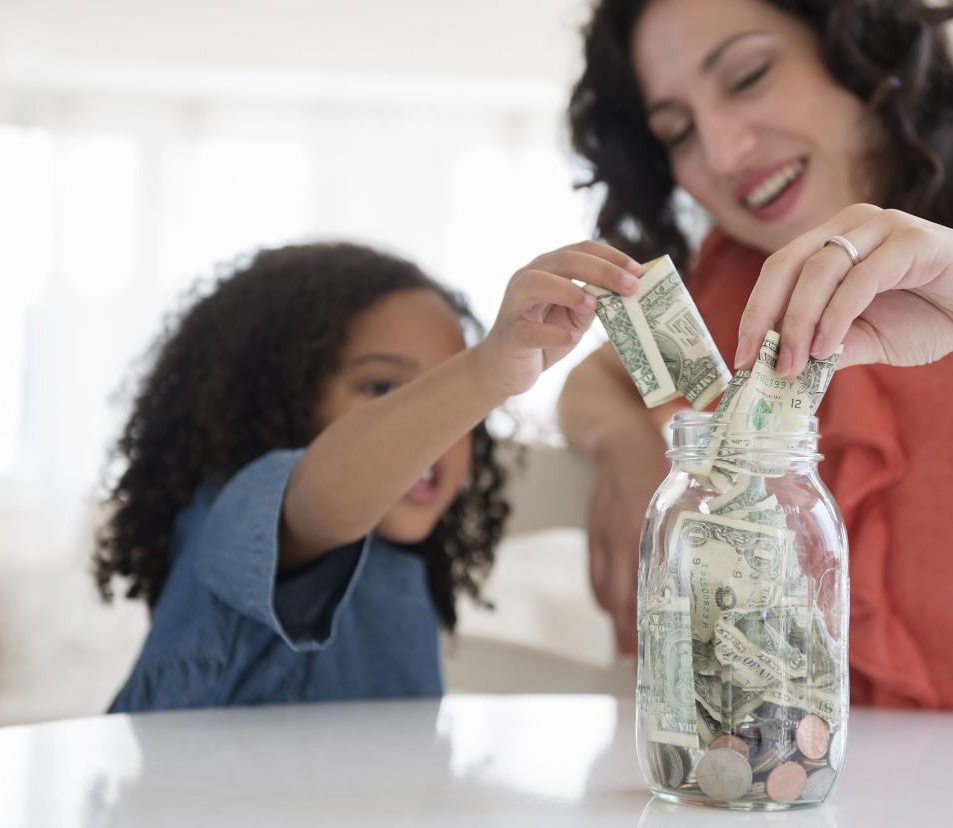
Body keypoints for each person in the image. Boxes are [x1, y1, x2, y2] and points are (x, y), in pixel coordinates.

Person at [560, 0, 953, 723]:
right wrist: (628, 443)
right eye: (677, 132)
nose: (720, 152)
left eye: (747, 75)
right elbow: (597, 379)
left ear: (865, 57)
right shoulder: (732, 285)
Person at [93, 240, 641, 711]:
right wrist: (483, 372)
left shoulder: (406, 571)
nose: (440, 426)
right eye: (382, 389)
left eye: (453, 402)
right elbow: (321, 498)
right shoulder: (237, 512)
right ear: (276, 403)